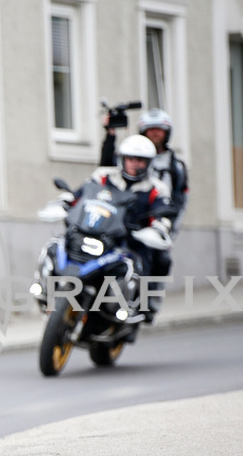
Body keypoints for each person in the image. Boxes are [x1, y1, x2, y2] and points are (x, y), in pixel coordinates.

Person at [73, 135, 176, 319]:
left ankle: (146, 303)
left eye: (140, 160)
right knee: (62, 244)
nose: (133, 164)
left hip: (133, 240)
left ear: (149, 163)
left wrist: (159, 228)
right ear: (122, 159)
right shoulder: (104, 176)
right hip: (100, 233)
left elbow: (164, 213)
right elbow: (80, 195)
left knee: (159, 260)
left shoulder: (156, 188)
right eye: (130, 159)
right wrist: (67, 201)